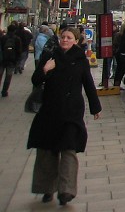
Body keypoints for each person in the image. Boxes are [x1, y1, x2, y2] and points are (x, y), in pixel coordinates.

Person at [27, 26, 102, 206]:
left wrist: (95, 107)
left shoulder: (81, 60)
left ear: (76, 41)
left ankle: (66, 190)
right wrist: (45, 69)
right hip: (49, 112)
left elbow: (89, 84)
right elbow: (35, 80)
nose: (65, 40)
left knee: (68, 150)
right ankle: (46, 188)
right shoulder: (50, 57)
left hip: (71, 112)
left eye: (69, 38)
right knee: (47, 151)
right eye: (63, 37)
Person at [2, 22, 25, 97]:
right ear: (15, 31)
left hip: (2, 59)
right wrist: (17, 60)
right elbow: (19, 51)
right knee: (8, 76)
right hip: (11, 60)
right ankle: (4, 91)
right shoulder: (17, 39)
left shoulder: (3, 37)